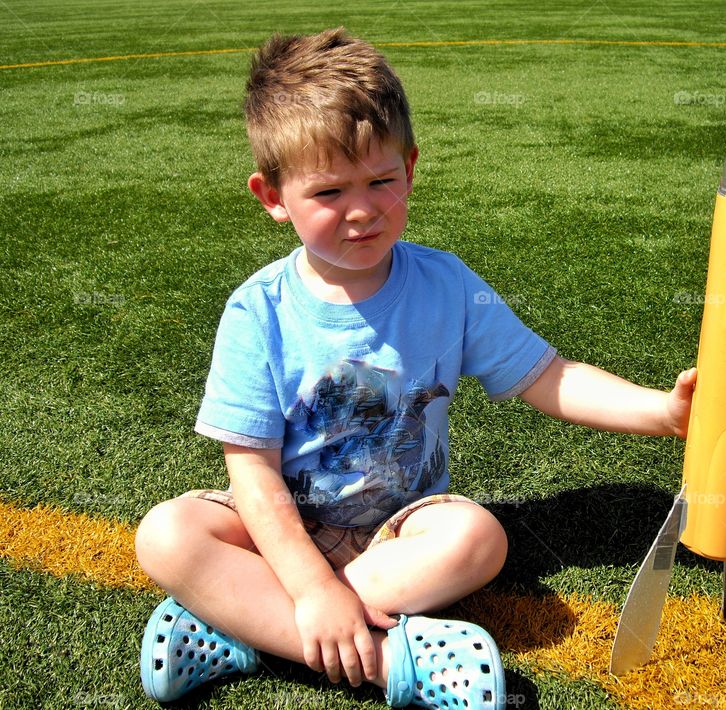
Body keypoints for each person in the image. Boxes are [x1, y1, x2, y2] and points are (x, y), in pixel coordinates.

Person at [134, 27, 697, 708]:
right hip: (285, 530)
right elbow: (251, 477)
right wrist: (311, 586)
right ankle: (395, 663)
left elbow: (549, 376)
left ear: (412, 166)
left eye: (381, 180)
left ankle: (243, 624)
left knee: (478, 539)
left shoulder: (447, 285)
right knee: (168, 534)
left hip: (401, 535)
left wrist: (661, 412)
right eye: (329, 193)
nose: (363, 210)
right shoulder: (258, 311)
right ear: (272, 196)